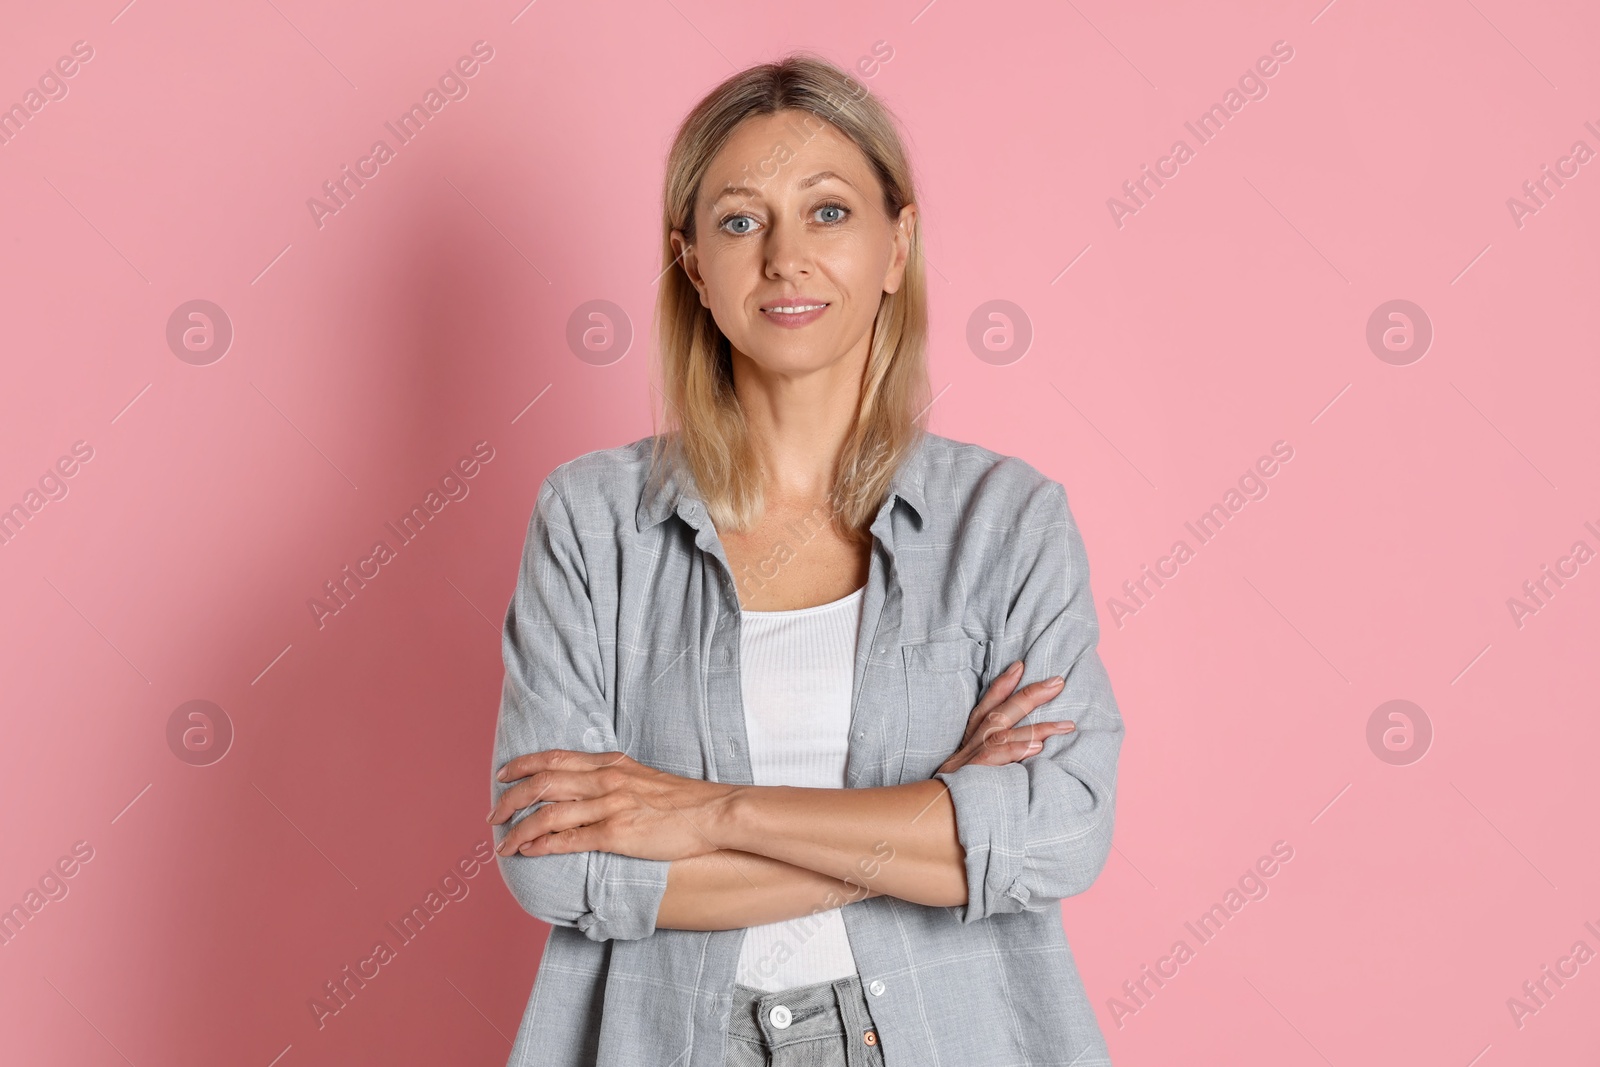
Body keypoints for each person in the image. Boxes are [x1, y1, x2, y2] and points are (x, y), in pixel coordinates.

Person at [487, 52, 1124, 1067]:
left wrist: (706, 813)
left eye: (827, 211)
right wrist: (935, 820)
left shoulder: (1007, 521)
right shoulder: (590, 521)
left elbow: (1051, 837)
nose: (785, 255)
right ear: (694, 263)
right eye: (740, 220)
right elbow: (557, 869)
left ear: (894, 244)